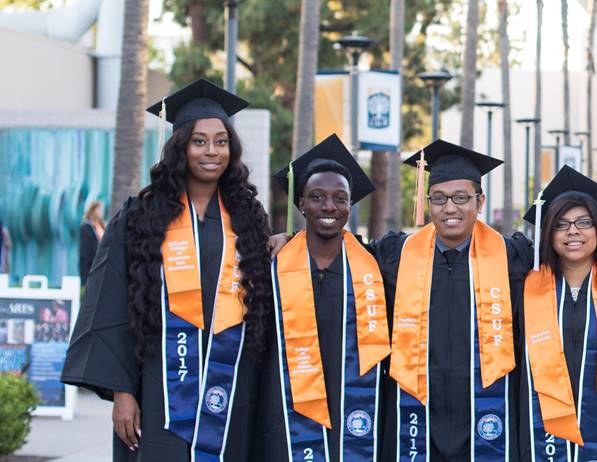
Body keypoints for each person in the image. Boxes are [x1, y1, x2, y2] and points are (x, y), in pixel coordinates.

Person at [61, 79, 275, 461]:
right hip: (160, 388)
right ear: (180, 147)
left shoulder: (249, 219)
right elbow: (109, 304)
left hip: (232, 389)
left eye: (221, 141)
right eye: (199, 141)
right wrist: (123, 393)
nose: (212, 151)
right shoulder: (140, 218)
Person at [370, 139, 531, 461]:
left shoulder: (513, 256)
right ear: (428, 202)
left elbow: (574, 253)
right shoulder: (396, 254)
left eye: (461, 198)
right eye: (439, 199)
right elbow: (339, 252)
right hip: (416, 410)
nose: (450, 208)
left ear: (480, 201)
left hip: (486, 410)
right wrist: (286, 240)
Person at [258, 134, 393, 461]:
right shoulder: (271, 268)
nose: (329, 206)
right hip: (284, 417)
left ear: (350, 204)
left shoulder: (375, 267)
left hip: (356, 418)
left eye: (340, 198)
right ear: (301, 203)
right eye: (317, 197)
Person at [513, 166, 597, 461]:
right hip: (539, 435)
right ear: (548, 233)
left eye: (584, 222)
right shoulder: (524, 289)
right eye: (561, 224)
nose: (573, 232)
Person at [80, 200, 106, 283]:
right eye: (98, 209)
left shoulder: (102, 225)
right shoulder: (86, 227)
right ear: (93, 210)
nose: (100, 212)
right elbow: (85, 250)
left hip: (102, 264)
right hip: (90, 265)